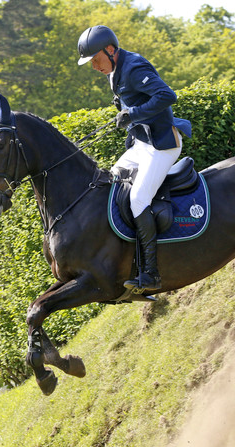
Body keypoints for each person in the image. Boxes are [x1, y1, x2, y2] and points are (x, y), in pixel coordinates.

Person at [77, 25, 192, 291]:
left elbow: (167, 96)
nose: (94, 66)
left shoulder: (134, 67)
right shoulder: (114, 71)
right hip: (142, 145)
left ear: (110, 50)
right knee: (110, 181)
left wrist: (133, 114)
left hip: (162, 145)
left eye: (96, 59)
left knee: (139, 199)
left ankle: (151, 272)